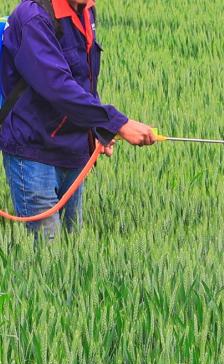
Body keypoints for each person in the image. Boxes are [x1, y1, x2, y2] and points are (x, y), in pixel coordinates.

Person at [0, 0, 155, 240]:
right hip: (34, 151)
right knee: (47, 257)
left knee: (72, 251)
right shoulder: (34, 17)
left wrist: (97, 129)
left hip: (73, 151)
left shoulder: (86, 10)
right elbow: (57, 86)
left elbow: (84, 80)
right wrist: (117, 123)